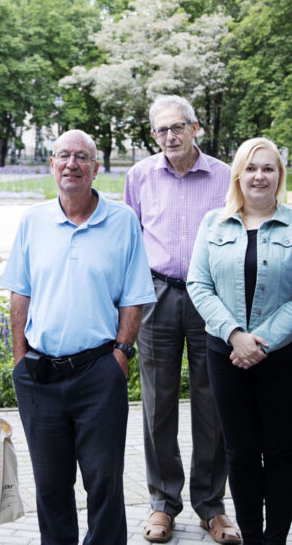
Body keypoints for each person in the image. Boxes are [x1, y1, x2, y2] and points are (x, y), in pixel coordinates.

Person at [2, 129, 156, 544]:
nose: (72, 164)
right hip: (40, 374)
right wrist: (19, 362)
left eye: (82, 157)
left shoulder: (122, 221)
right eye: (63, 156)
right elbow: (20, 295)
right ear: (51, 164)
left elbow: (135, 298)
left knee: (103, 481)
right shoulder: (33, 221)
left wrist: (121, 356)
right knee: (51, 486)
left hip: (98, 371)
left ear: (96, 167)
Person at [186, 138, 292, 545]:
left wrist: (261, 342)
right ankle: (253, 538)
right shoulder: (213, 224)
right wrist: (235, 336)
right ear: (238, 175)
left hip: (282, 358)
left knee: (279, 452)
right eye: (251, 168)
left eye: (269, 168)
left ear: (279, 176)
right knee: (240, 454)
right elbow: (198, 283)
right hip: (226, 355)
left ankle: (275, 539)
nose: (259, 176)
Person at [123, 95, 239, 544]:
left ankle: (212, 506)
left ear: (196, 128)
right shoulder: (140, 176)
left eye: (178, 127)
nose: (170, 136)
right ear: (153, 135)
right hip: (158, 295)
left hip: (210, 298)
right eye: (161, 130)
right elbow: (131, 241)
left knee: (213, 405)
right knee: (158, 404)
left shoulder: (225, 176)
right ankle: (162, 503)